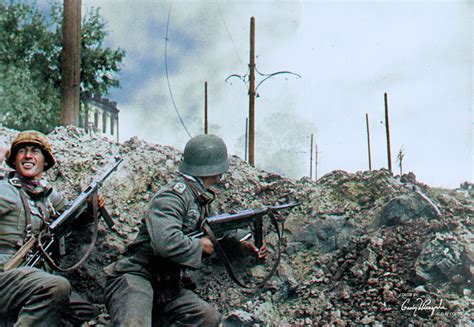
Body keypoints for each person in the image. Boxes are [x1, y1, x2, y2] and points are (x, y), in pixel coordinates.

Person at [105, 134, 266, 326]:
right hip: (137, 276)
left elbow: (217, 229)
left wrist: (243, 242)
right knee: (135, 323)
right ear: (215, 168)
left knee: (207, 318)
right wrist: (198, 245)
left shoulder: (199, 198)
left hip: (168, 286)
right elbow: (165, 241)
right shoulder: (172, 196)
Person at [0, 130, 100, 326]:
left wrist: (91, 208)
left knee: (82, 310)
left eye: (35, 151)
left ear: (45, 161)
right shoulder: (5, 190)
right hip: (5, 277)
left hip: (29, 279)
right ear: (14, 161)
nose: (28, 156)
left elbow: (71, 220)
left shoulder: (49, 197)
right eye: (22, 151)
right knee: (56, 286)